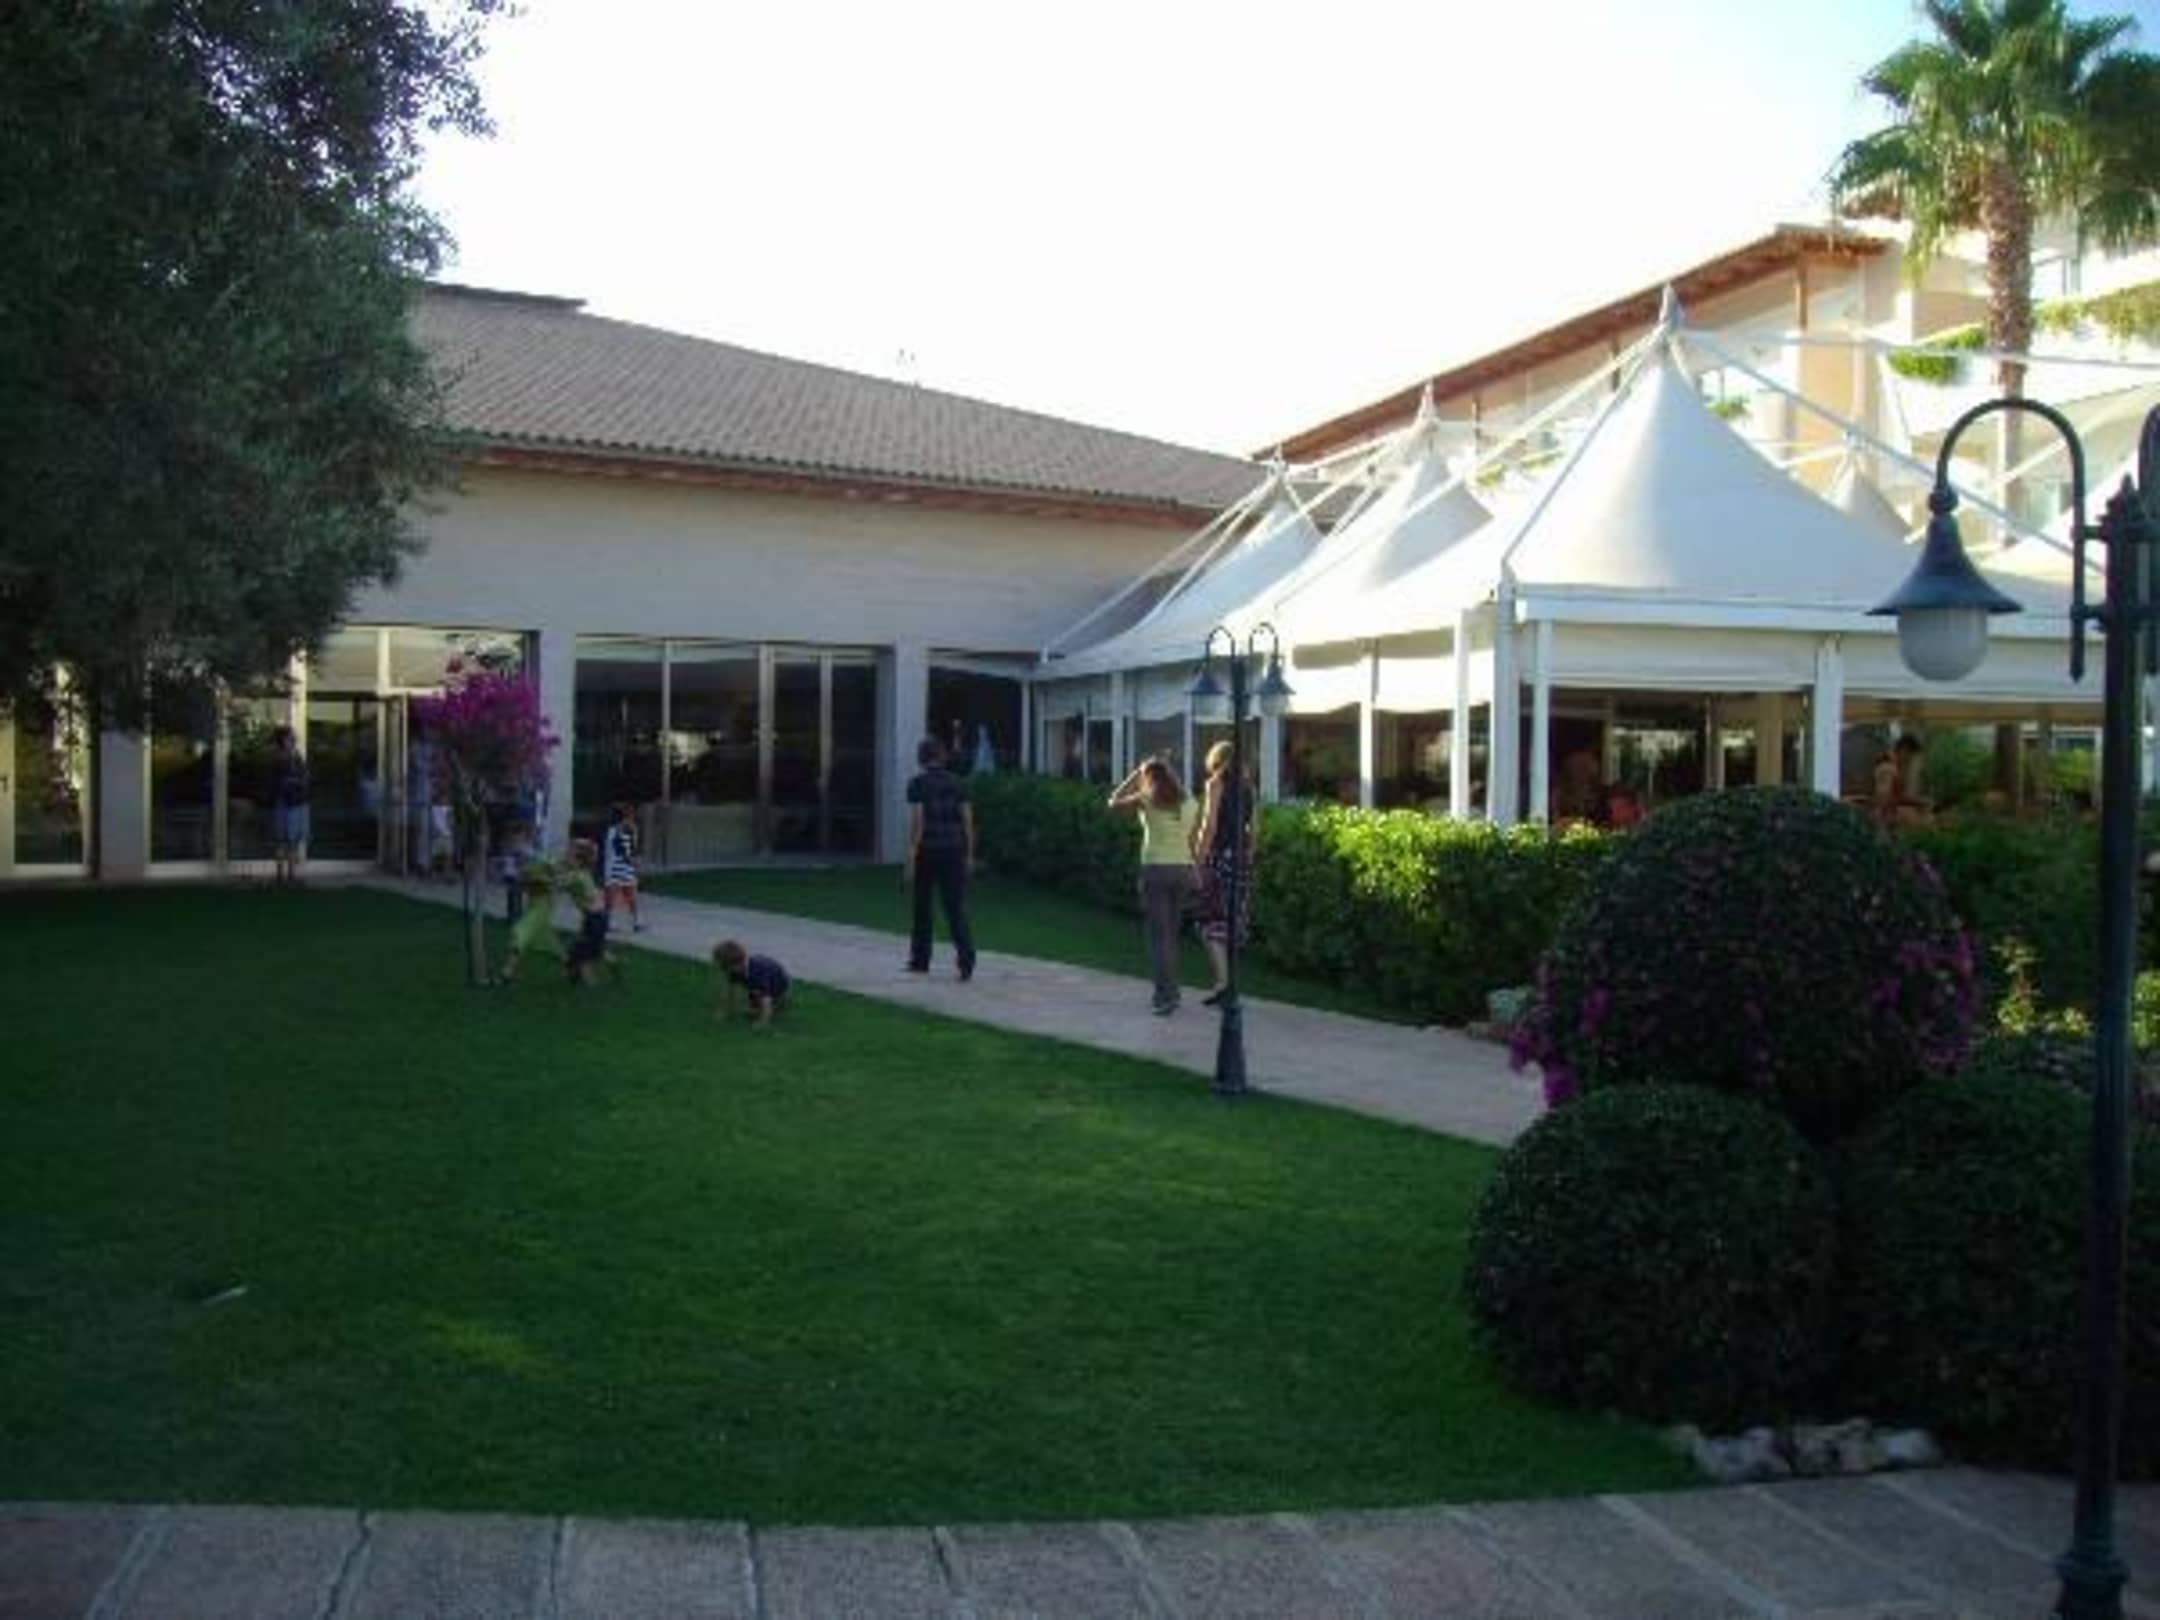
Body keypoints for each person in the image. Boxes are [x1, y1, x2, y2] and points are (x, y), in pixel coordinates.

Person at [1108, 754, 1198, 1015]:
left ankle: (1164, 996)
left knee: (1159, 938)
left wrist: (1133, 776)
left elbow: (1112, 803)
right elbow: (1192, 840)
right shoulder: (1190, 802)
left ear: (1148, 778)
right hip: (1182, 869)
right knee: (1171, 935)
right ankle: (1173, 992)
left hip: (1156, 870)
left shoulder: (1147, 799)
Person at [905, 737, 977, 981]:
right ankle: (966, 960)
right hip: (954, 850)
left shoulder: (917, 784)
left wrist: (911, 854)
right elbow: (967, 821)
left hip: (928, 850)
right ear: (942, 757)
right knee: (956, 907)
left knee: (922, 907)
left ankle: (920, 960)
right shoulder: (959, 783)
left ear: (922, 758)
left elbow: (918, 822)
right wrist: (970, 854)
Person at [1193, 739, 1255, 1006]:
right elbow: (1254, 828)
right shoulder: (1249, 788)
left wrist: (1198, 861)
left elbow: (1209, 826)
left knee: (1208, 922)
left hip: (1220, 858)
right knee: (1231, 924)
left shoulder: (1215, 784)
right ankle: (1227, 984)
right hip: (1240, 859)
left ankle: (1223, 984)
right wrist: (1249, 855)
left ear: (1215, 761)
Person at [497, 843, 565, 983]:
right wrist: (522, 882)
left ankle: (507, 972)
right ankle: (574, 967)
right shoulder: (523, 869)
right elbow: (522, 885)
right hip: (534, 907)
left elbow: (554, 879)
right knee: (551, 944)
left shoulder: (541, 862)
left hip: (542, 908)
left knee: (518, 933)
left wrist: (545, 880)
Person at [561, 837, 617, 986]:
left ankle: (590, 983)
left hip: (595, 918)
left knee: (583, 953)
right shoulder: (585, 871)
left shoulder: (575, 876)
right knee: (591, 949)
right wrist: (577, 844)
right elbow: (593, 849)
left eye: (569, 856)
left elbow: (556, 883)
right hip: (598, 917)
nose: (565, 858)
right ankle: (610, 966)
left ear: (578, 860)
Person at [713, 939, 790, 1029]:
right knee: (753, 1005)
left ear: (736, 965)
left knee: (761, 1003)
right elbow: (729, 991)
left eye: (724, 967)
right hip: (756, 978)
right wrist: (724, 1011)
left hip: (778, 984)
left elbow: (766, 999)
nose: (724, 970)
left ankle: (778, 1004)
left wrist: (762, 1022)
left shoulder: (757, 974)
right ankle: (757, 1005)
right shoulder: (734, 971)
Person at [267, 725, 309, 885]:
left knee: (286, 840)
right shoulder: (285, 758)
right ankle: (287, 875)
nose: (294, 740)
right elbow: (296, 778)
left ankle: (285, 875)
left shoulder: (290, 756)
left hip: (290, 802)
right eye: (291, 737)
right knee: (288, 840)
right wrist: (298, 781)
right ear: (284, 740)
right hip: (289, 803)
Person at [603, 801, 643, 931]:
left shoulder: (627, 831)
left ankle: (636, 921)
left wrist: (634, 834)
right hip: (616, 866)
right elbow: (621, 849)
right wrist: (632, 861)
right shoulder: (616, 831)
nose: (631, 819)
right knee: (613, 895)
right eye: (629, 817)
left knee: (630, 894)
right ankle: (608, 921)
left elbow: (632, 848)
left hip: (624, 867)